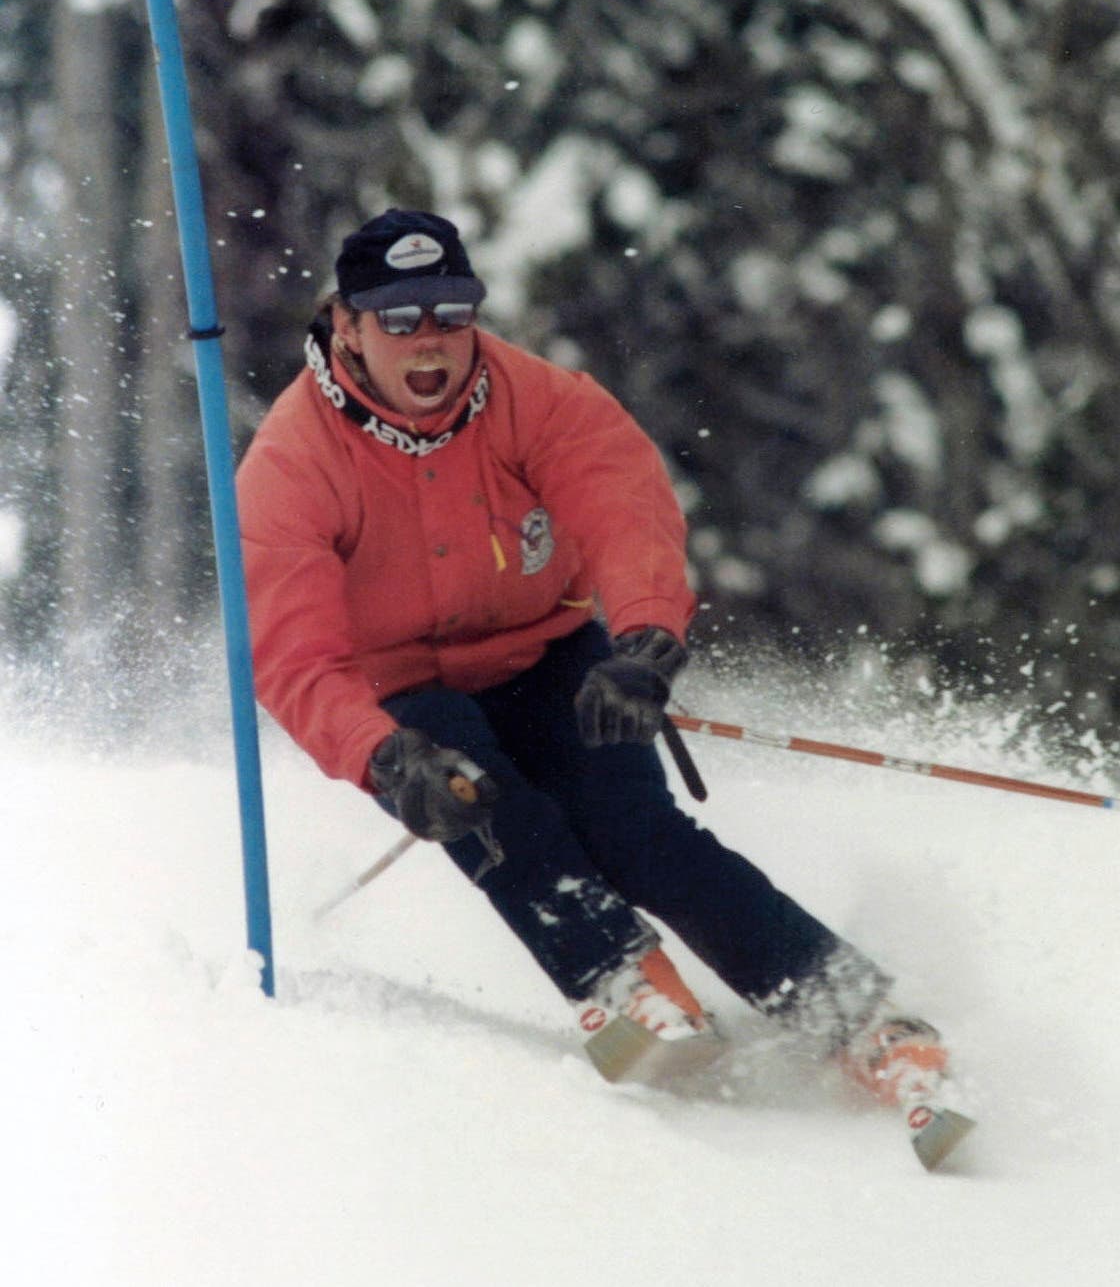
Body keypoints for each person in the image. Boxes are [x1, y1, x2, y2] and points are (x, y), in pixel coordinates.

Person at [237, 208, 961, 1124]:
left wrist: (645, 642)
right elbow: (294, 655)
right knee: (484, 798)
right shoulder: (293, 464)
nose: (433, 342)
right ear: (346, 325)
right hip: (404, 696)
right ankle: (622, 976)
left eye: (452, 313)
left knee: (639, 833)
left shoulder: (533, 398)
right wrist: (381, 755)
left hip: (546, 649)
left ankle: (861, 1017)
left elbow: (625, 508)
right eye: (400, 320)